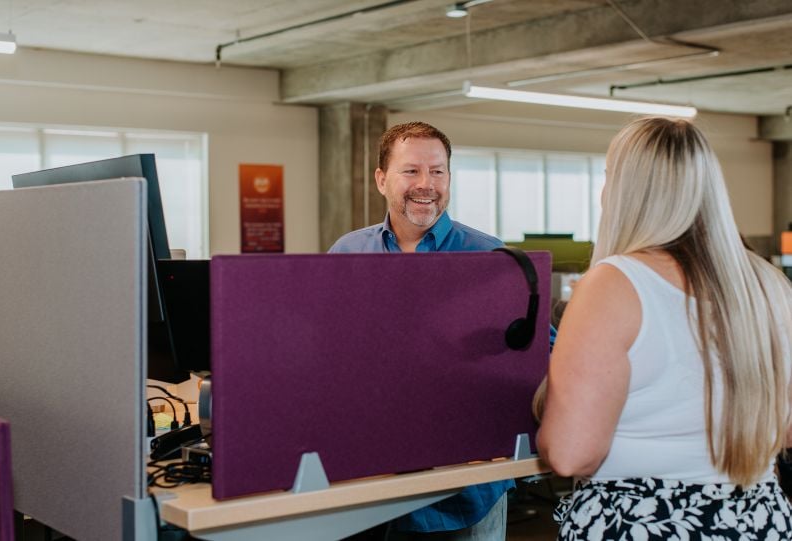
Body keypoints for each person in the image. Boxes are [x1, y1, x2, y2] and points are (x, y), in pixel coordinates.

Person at [536, 116, 792, 539]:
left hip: (646, 521)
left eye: (608, 177)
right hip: (756, 518)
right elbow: (784, 429)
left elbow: (570, 455)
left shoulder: (615, 284)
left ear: (625, 191)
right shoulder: (767, 285)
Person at [330, 121, 513, 540]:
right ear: (381, 179)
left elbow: (538, 350)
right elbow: (332, 356)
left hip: (466, 490)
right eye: (411, 171)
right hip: (372, 480)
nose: (426, 184)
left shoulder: (488, 256)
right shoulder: (348, 253)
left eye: (438, 171)